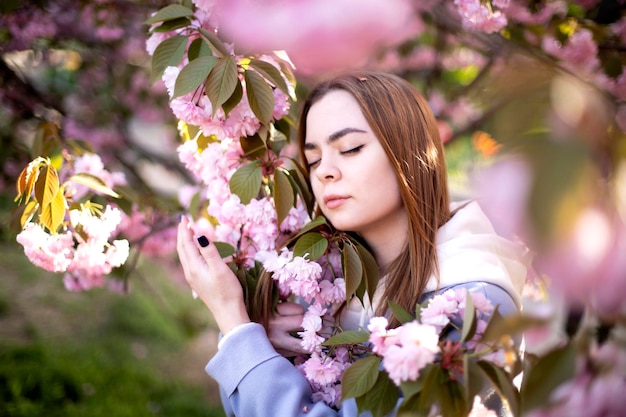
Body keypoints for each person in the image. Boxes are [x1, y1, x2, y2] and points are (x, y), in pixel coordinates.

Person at [177, 71, 531, 416]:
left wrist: (235, 323)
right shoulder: (326, 284)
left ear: (409, 153)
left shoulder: (476, 304)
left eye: (350, 148)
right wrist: (263, 349)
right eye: (313, 158)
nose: (324, 171)